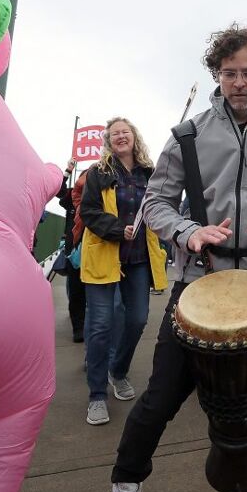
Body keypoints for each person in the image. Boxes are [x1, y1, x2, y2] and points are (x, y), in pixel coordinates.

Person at [109, 23, 247, 492]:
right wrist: (188, 232)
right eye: (229, 73)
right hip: (199, 281)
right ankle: (125, 480)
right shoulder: (188, 135)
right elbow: (156, 203)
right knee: (161, 395)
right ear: (217, 75)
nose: (239, 83)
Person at [79, 117, 169, 426]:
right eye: (115, 133)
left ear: (134, 137)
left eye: (125, 132)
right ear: (108, 140)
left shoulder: (149, 173)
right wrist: (118, 229)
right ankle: (97, 395)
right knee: (101, 325)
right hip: (104, 257)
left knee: (138, 319)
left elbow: (161, 208)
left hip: (139, 259)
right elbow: (89, 211)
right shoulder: (98, 172)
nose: (120, 136)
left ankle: (117, 371)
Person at [57, 159, 86, 342]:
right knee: (76, 290)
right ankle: (78, 328)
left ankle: (87, 322)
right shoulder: (71, 199)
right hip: (74, 252)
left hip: (94, 251)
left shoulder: (100, 199)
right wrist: (68, 171)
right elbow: (58, 191)